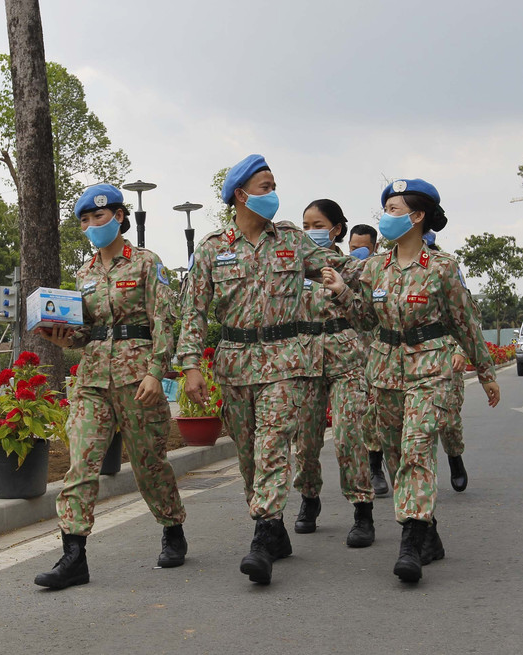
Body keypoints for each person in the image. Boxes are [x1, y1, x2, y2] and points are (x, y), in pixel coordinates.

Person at [176, 154, 362, 585]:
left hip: (286, 360)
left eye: (274, 184)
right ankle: (275, 529)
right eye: (265, 187)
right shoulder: (211, 249)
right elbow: (194, 312)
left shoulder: (293, 241)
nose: (273, 194)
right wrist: (190, 366)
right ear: (241, 195)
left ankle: (261, 536)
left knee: (273, 447)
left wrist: (386, 265)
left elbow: (341, 265)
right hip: (235, 365)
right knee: (248, 456)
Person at [321, 177, 500, 584]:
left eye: (395, 210)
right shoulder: (373, 267)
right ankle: (430, 533)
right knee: (396, 456)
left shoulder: (442, 267)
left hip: (430, 369)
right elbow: (365, 320)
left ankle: (410, 540)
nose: (386, 217)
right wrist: (341, 291)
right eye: (386, 209)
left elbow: (465, 323)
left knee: (417, 449)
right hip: (384, 370)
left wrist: (486, 373)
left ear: (417, 217)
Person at [33, 184, 187, 590]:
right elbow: (83, 334)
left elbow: (165, 321)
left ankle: (172, 527)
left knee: (149, 463)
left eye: (97, 217)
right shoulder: (83, 274)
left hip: (139, 380)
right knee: (81, 465)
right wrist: (60, 337)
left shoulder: (146, 263)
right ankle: (73, 555)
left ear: (119, 217)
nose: (90, 226)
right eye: (84, 221)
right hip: (92, 380)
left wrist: (157, 371)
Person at [291, 200, 375, 544]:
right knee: (305, 441)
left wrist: (341, 290)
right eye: (306, 225)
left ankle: (362, 509)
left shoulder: (353, 268)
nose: (311, 232)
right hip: (305, 361)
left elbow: (367, 316)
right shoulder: (292, 268)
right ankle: (309, 499)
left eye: (318, 225)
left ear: (337, 229)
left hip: (346, 360)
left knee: (348, 436)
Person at [423, 231, 469, 493]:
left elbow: (465, 314)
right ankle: (421, 476)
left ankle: (454, 456)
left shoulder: (446, 267)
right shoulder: (392, 268)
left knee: (448, 419)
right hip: (407, 355)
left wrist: (461, 349)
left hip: (444, 351)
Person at [348, 223, 390, 497]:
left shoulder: (384, 271)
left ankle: (380, 464)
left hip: (382, 354)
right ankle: (369, 469)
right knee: (362, 417)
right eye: (353, 248)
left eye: (363, 248)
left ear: (375, 247)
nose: (357, 253)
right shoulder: (342, 271)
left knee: (379, 415)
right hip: (352, 356)